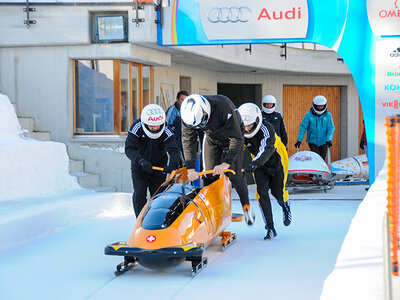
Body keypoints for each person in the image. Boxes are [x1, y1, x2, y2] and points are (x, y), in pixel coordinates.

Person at [180, 94, 255, 225]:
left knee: (235, 175)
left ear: (205, 111)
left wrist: (226, 164)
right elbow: (188, 140)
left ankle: (246, 207)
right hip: (211, 139)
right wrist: (190, 168)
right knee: (208, 174)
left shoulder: (224, 106)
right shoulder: (187, 116)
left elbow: (237, 139)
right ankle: (210, 209)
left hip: (233, 138)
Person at [238, 103, 291, 240]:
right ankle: (270, 227)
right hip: (259, 165)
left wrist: (254, 163)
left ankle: (285, 204)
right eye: (244, 125)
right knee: (261, 195)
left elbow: (265, 149)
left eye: (249, 125)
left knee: (277, 192)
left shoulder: (267, 129)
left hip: (277, 162)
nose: (246, 128)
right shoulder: (241, 130)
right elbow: (236, 147)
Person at [125, 104, 180, 217]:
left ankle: (155, 219)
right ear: (145, 123)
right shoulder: (137, 127)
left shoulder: (166, 130)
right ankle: (140, 219)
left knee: (158, 194)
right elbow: (129, 149)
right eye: (151, 126)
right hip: (140, 165)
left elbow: (174, 149)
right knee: (140, 192)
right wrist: (140, 161)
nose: (155, 128)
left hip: (159, 165)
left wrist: (172, 165)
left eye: (157, 126)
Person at [295, 95, 335, 160]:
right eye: (318, 106)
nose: (320, 108)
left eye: (322, 106)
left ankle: (321, 169)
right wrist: (299, 140)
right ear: (314, 105)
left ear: (325, 105)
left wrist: (329, 139)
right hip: (312, 141)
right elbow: (303, 127)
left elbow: (331, 128)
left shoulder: (328, 116)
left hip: (324, 141)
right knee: (316, 157)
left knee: (322, 158)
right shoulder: (308, 115)